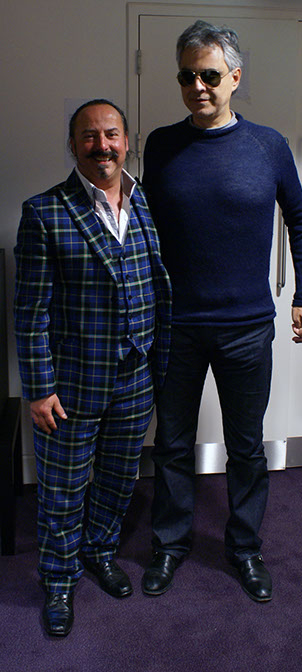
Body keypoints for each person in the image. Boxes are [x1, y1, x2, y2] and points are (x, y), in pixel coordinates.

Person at [141, 20, 302, 602]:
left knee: (245, 446)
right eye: (187, 76)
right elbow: (145, 227)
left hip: (246, 327)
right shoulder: (162, 144)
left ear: (235, 78)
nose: (198, 86)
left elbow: (300, 220)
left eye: (210, 75)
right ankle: (169, 546)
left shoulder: (267, 146)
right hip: (176, 327)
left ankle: (244, 549)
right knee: (171, 443)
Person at [14, 99, 171, 636]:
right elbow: (30, 312)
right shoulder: (44, 211)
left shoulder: (145, 201)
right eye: (88, 136)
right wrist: (38, 389)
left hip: (136, 375)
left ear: (128, 141)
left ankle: (100, 550)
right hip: (72, 382)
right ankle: (57, 581)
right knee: (62, 488)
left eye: (111, 135)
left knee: (118, 476)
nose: (101, 146)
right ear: (73, 144)